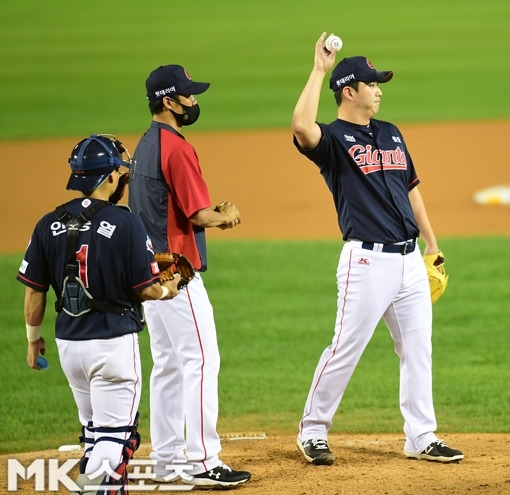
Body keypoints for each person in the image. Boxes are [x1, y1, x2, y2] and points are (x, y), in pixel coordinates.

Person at [292, 33, 464, 465]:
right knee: (346, 346)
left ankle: (421, 435)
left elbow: (412, 190)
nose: (379, 89)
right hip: (366, 262)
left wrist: (432, 242)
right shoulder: (332, 141)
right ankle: (313, 430)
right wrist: (318, 70)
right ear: (349, 92)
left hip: (408, 262)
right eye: (372, 83)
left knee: (417, 347)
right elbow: (300, 127)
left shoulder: (390, 133)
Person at [17, 134, 181, 494]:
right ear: (109, 177)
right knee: (116, 440)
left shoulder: (48, 223)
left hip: (69, 347)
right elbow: (147, 288)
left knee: (94, 433)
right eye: (120, 172)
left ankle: (106, 486)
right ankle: (91, 488)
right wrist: (171, 288)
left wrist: (33, 342)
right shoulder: (125, 223)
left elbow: (34, 291)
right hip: (112, 346)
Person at [128, 64, 251, 488]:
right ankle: (203, 461)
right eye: (188, 96)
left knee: (167, 364)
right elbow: (199, 214)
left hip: (151, 276)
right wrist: (226, 216)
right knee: (200, 361)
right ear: (169, 101)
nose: (194, 101)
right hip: (178, 277)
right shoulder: (176, 148)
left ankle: (166, 458)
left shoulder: (145, 144)